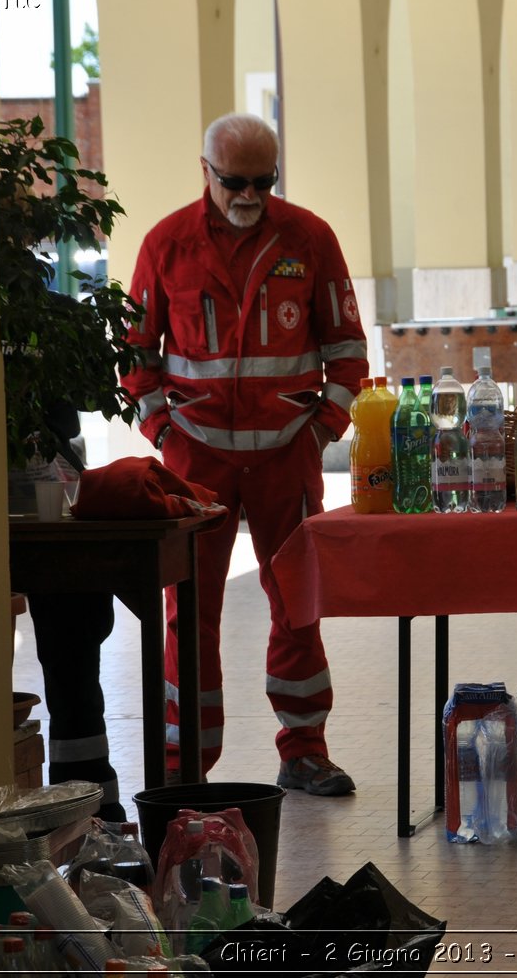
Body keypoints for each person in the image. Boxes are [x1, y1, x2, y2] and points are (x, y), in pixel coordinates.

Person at [122, 113, 368, 796]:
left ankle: (305, 750)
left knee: (298, 603)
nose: (250, 194)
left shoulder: (309, 239)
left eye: (264, 181)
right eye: (236, 182)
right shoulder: (166, 245)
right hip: (195, 465)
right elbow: (135, 356)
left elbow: (348, 352)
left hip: (287, 458)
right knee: (188, 610)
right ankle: (185, 764)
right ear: (204, 171)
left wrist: (320, 434)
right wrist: (164, 437)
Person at [15, 397, 127, 822]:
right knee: (71, 652)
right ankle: (86, 806)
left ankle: (90, 808)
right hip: (7, 490)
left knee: (74, 648)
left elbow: (95, 392)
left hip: (52, 489)